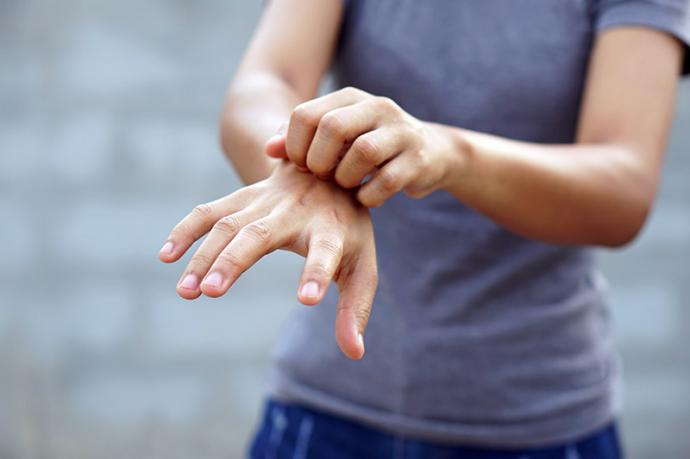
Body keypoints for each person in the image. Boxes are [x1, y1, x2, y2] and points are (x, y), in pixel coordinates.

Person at [159, 1, 690, 457]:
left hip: (537, 421)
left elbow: (622, 185)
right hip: (327, 410)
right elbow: (267, 80)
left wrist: (447, 153)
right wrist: (294, 166)